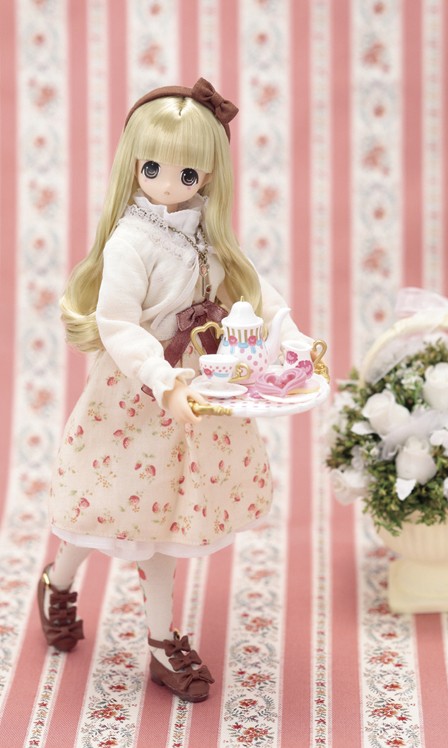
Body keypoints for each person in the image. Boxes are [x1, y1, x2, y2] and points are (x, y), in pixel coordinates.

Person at [38, 79, 312, 703]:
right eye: (153, 168)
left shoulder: (205, 234)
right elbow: (117, 325)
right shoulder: (131, 240)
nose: (167, 183)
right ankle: (63, 584)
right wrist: (164, 383)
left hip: (199, 393)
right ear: (134, 164)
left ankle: (157, 639)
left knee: (160, 523)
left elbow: (254, 290)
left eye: (187, 173)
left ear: (208, 175)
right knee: (102, 515)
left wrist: (290, 335)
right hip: (139, 394)